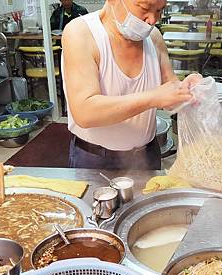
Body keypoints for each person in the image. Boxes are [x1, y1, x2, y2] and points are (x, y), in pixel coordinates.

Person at [61, 0, 201, 170]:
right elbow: (85, 112)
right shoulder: (81, 33)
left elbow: (170, 90)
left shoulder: (154, 37)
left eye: (159, 10)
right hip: (95, 159)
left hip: (147, 155)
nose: (152, 19)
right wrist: (154, 97)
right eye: (144, 8)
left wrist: (186, 90)